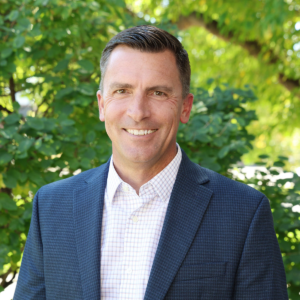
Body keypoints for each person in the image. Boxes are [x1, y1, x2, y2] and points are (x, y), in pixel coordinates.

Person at [14, 25, 288, 300]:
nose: (138, 112)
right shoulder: (52, 207)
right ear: (101, 104)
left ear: (185, 107)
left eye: (158, 93)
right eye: (122, 90)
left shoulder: (243, 213)